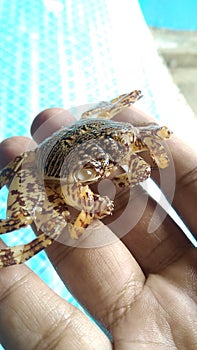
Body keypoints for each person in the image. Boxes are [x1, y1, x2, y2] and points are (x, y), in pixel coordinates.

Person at [0, 106, 196, 350]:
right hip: (47, 169)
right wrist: (91, 204)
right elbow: (78, 221)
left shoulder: (122, 136)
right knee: (40, 228)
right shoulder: (37, 170)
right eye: (90, 169)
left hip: (104, 133)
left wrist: (124, 173)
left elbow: (154, 143)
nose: (103, 168)